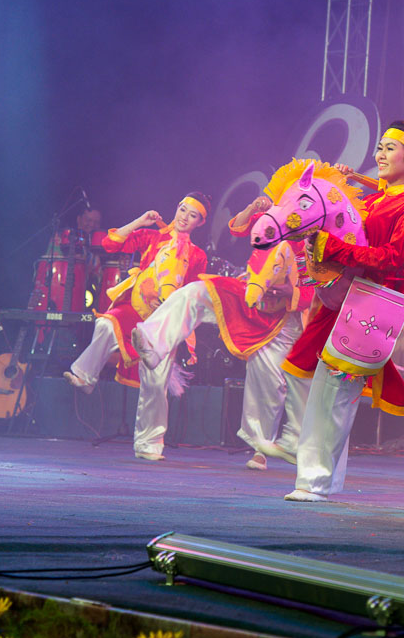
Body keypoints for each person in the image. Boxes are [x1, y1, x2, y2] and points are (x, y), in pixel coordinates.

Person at [283, 121, 404, 502]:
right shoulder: (376, 199)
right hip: (348, 300)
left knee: (336, 392)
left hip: (374, 304)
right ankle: (322, 480)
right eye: (380, 147)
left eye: (388, 148)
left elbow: (394, 260)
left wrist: (333, 249)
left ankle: (314, 482)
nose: (379, 155)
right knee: (324, 391)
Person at [131, 195, 312, 469]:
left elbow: (320, 291)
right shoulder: (273, 222)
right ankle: (153, 340)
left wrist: (292, 292)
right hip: (247, 294)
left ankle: (260, 449)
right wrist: (253, 208)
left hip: (282, 318)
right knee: (195, 292)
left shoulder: (314, 245)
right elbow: (237, 227)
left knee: (268, 385)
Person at [64, 193, 209, 460]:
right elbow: (109, 243)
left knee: (155, 384)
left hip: (164, 320)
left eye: (192, 215)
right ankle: (85, 375)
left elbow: (193, 295)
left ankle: (149, 444)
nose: (183, 217)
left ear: (200, 222)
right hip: (136, 307)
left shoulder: (198, 256)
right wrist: (140, 221)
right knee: (107, 324)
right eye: (182, 209)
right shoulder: (153, 238)